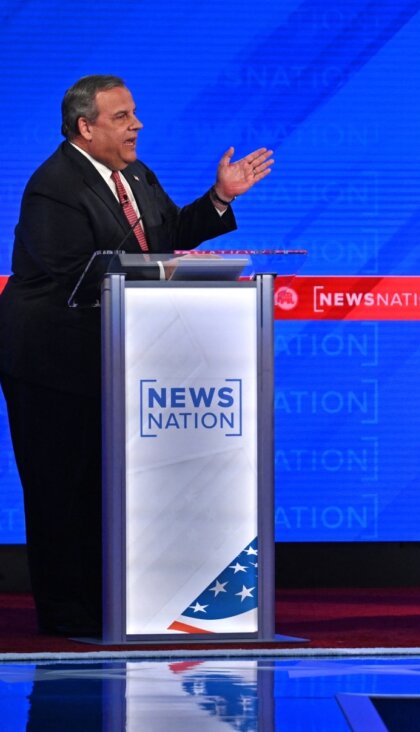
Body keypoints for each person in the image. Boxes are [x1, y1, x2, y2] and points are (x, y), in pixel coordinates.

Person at [0, 75, 273, 635]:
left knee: (101, 491)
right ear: (86, 127)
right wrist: (155, 279)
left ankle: (107, 606)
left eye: (134, 114)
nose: (137, 125)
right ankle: (64, 616)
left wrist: (219, 198)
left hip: (112, 358)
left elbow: (166, 236)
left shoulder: (137, 175)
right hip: (51, 363)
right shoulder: (54, 186)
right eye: (122, 117)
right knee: (59, 489)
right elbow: (77, 271)